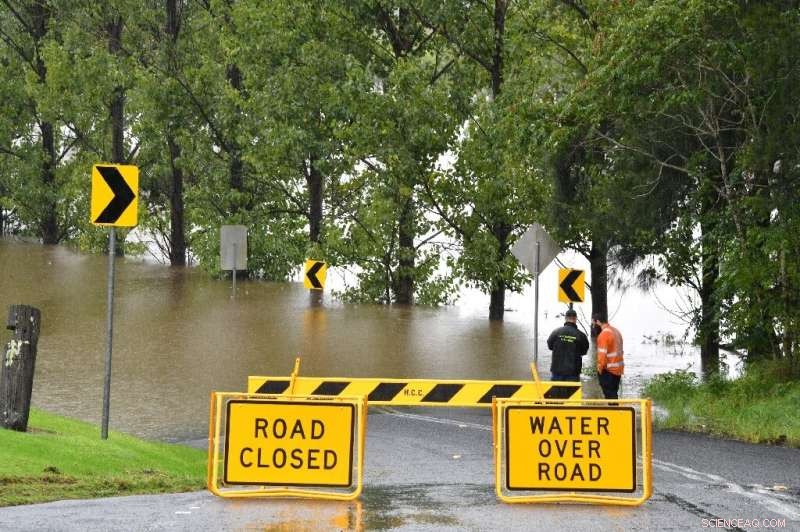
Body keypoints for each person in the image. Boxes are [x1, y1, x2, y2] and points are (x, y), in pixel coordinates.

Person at [547, 309, 589, 381]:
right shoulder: (581, 335)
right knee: (572, 388)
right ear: (575, 319)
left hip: (557, 370)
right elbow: (584, 351)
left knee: (556, 388)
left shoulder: (556, 332)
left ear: (565, 318)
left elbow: (550, 346)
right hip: (573, 372)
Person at [592, 312, 625, 399]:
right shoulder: (616, 331)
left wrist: (599, 369)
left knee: (610, 395)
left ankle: (613, 408)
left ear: (598, 322)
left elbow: (602, 355)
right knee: (614, 394)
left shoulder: (604, 334)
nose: (593, 326)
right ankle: (616, 407)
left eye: (593, 323)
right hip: (618, 369)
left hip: (609, 370)